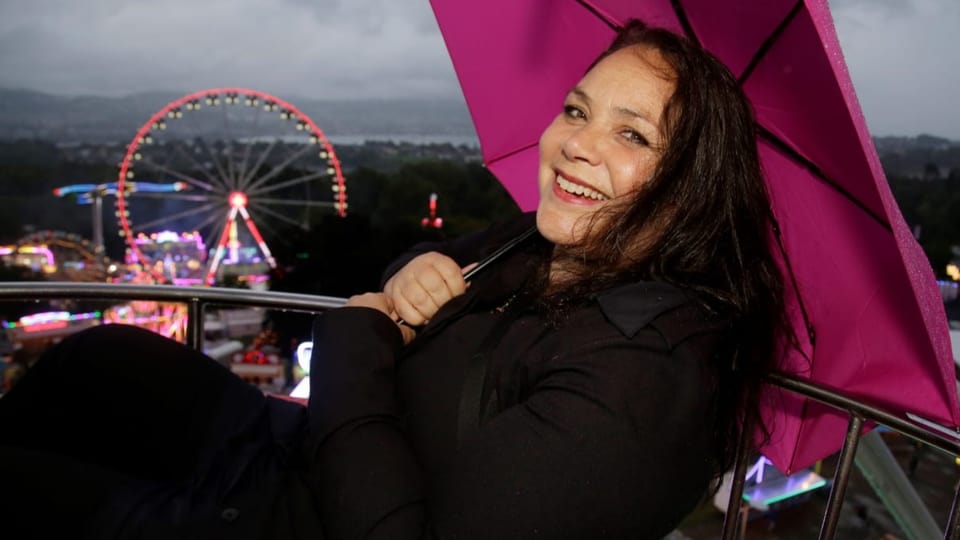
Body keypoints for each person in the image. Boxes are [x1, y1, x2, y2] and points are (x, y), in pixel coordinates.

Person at [0, 18, 786, 540]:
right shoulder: (542, 237)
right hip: (290, 449)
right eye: (577, 111)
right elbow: (411, 276)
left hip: (295, 517)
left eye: (631, 134)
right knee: (93, 361)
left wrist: (352, 338)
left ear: (689, 190)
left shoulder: (639, 386)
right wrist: (410, 274)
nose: (577, 145)